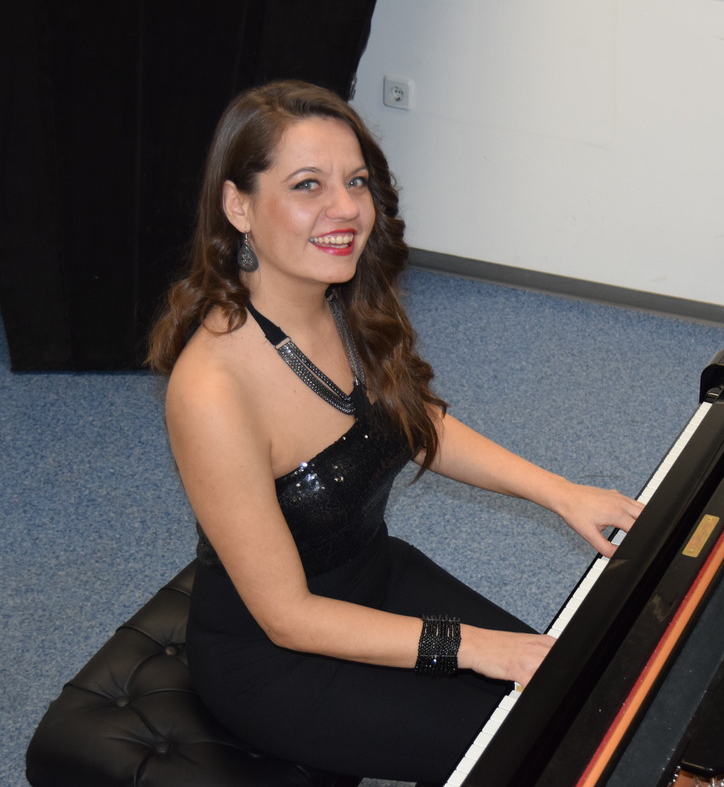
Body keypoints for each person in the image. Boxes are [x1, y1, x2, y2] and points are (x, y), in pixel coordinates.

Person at [146, 80, 643, 784]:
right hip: (275, 657)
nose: (346, 208)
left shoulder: (342, 298)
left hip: (376, 575)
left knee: (577, 697)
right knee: (539, 752)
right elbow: (288, 617)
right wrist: (474, 647)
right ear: (239, 206)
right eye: (308, 185)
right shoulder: (212, 392)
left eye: (355, 181)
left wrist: (561, 493)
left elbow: (412, 421)